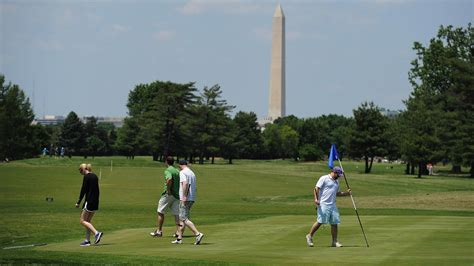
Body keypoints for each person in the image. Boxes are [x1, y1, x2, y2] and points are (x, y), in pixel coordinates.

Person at [306, 166, 351, 248]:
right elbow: (316, 189)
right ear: (334, 172)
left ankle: (334, 241)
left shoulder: (336, 181)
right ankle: (309, 236)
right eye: (338, 175)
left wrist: (346, 193)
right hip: (323, 204)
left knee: (334, 223)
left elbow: (337, 193)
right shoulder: (324, 178)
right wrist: (316, 199)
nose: (339, 177)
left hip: (333, 204)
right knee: (320, 221)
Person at [172, 160, 204, 245]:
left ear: (180, 165)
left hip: (185, 198)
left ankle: (197, 234)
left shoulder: (182, 172)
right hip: (192, 198)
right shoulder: (192, 173)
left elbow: (185, 184)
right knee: (183, 218)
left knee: (183, 218)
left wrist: (184, 197)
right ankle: (179, 239)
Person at [150, 156, 182, 237]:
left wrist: (168, 190)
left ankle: (159, 231)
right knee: (176, 214)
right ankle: (179, 232)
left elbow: (169, 179)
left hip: (168, 194)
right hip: (176, 195)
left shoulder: (168, 170)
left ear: (166, 162)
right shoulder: (177, 171)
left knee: (160, 212)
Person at [76, 163, 103, 247]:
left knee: (82, 220)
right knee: (88, 221)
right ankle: (87, 240)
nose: (81, 173)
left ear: (83, 169)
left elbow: (83, 190)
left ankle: (96, 233)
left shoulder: (87, 177)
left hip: (89, 201)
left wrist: (78, 202)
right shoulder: (95, 176)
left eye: (80, 171)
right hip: (95, 201)